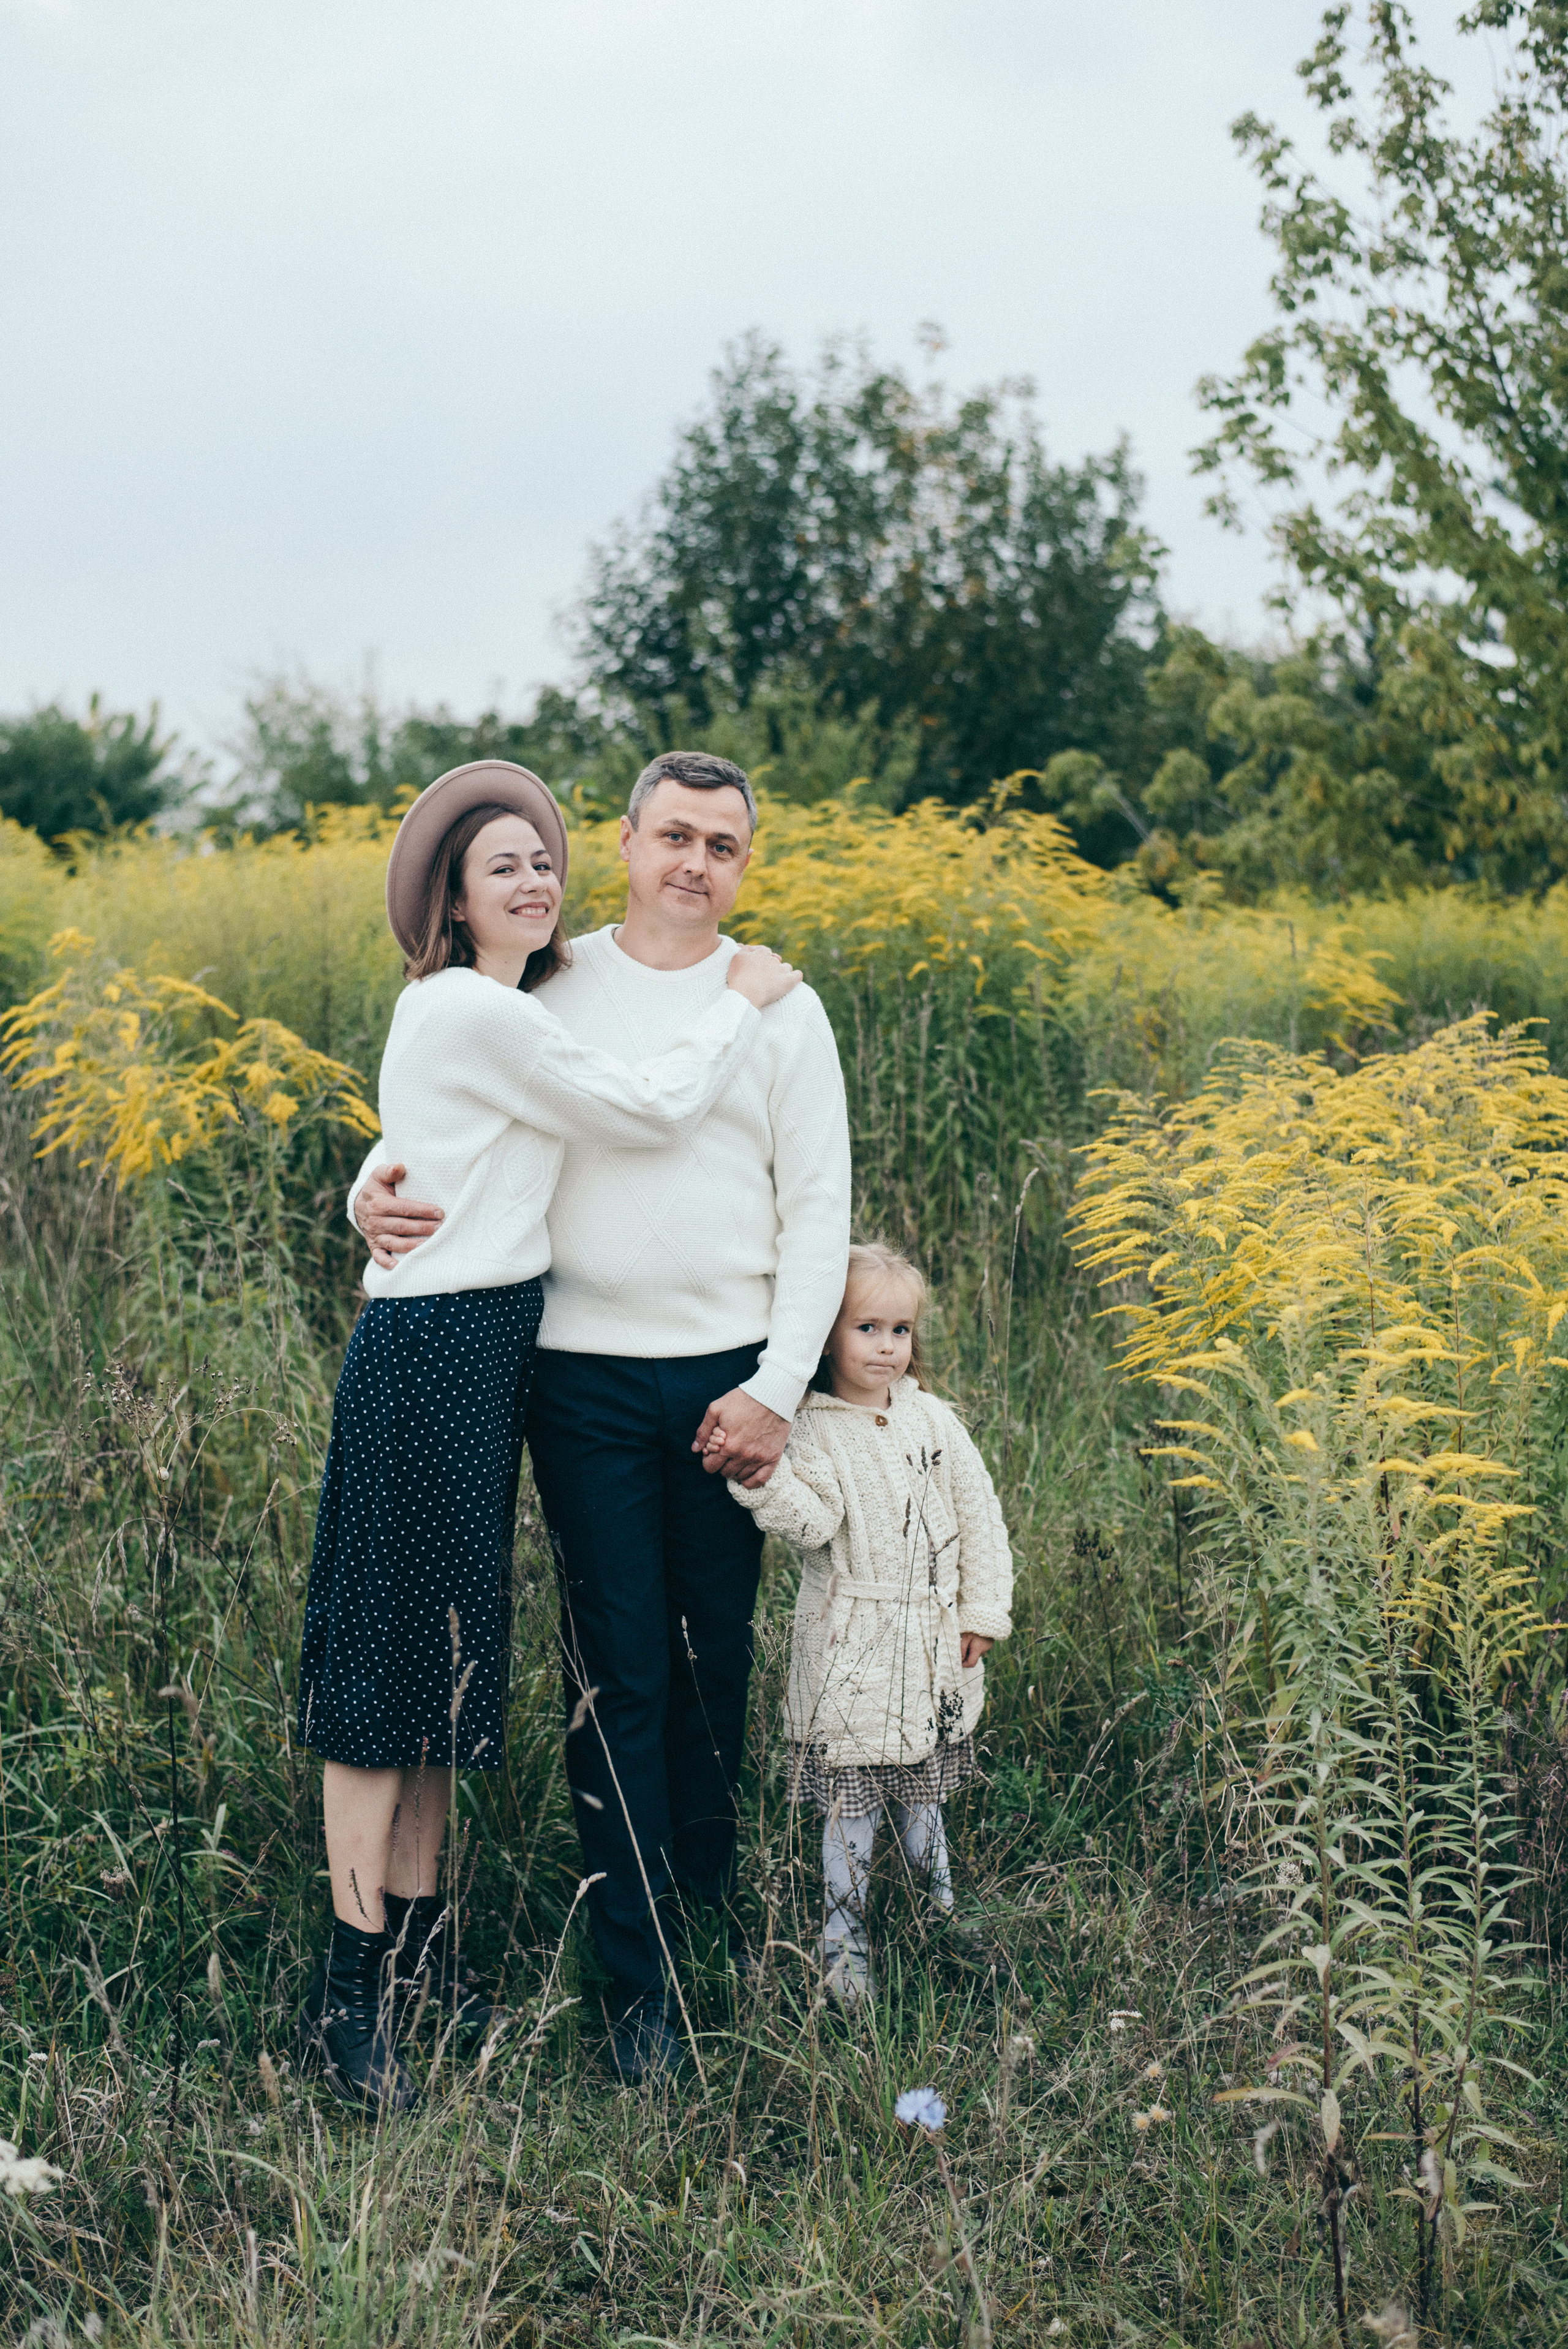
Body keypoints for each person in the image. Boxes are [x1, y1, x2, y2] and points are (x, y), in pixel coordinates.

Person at [298, 758, 802, 2111]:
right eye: (500, 866)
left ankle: (418, 1959)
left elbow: (429, 1140)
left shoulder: (501, 1001)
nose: (533, 879)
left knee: (446, 1678)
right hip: (435, 1350)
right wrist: (741, 1005)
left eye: (541, 860)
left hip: (486, 1351)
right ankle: (348, 2001)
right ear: (453, 904)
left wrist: (369, 1187)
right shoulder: (479, 1003)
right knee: (382, 1685)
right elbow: (637, 1108)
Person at [718, 1242, 1014, 2008]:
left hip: (931, 1644)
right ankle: (843, 1949)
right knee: (851, 1816)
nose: (887, 1347)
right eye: (868, 1328)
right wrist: (762, 1478)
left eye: (901, 1330)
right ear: (823, 1335)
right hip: (851, 1650)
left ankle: (937, 1921)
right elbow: (812, 1524)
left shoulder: (933, 1418)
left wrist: (981, 1611)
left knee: (925, 1803)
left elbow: (980, 1516)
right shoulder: (811, 1429)